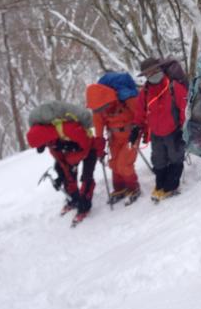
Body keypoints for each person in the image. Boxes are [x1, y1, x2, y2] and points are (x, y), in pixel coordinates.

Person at [27, 102, 102, 223]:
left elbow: (86, 146)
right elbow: (59, 158)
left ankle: (85, 205)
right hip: (70, 151)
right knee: (66, 174)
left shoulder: (67, 129)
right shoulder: (51, 141)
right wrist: (61, 177)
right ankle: (73, 198)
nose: (46, 146)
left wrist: (72, 159)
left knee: (86, 177)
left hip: (89, 147)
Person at [134, 57, 189, 200]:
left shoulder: (173, 86)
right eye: (148, 73)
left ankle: (171, 186)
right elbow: (140, 112)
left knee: (176, 158)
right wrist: (136, 129)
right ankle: (160, 185)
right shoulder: (145, 92)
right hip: (156, 133)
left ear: (160, 69)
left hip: (174, 131)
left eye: (154, 71)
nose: (151, 75)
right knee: (158, 160)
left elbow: (185, 109)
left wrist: (184, 130)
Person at [86, 73, 142, 204]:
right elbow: (99, 130)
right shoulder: (98, 107)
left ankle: (133, 187)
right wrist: (99, 147)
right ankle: (120, 188)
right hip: (114, 137)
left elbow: (140, 115)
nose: (102, 110)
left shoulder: (126, 99)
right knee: (114, 163)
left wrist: (139, 130)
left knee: (124, 164)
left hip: (131, 135)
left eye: (104, 107)